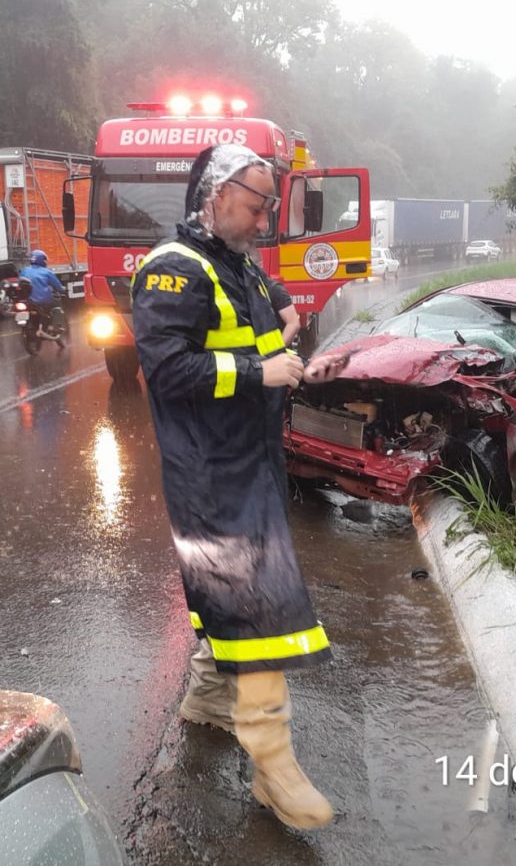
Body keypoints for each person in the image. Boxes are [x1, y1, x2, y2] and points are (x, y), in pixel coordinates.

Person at [130, 143, 348, 831]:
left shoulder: (238, 265)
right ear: (216, 194)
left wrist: (287, 348)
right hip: (211, 473)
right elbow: (169, 372)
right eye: (255, 206)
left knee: (227, 600)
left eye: (268, 209)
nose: (263, 221)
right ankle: (273, 767)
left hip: (249, 461)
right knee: (260, 611)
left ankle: (205, 700)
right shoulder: (174, 269)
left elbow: (258, 320)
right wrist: (262, 374)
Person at [19, 249, 65, 337]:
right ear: (42, 260)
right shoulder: (47, 272)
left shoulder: (24, 270)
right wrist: (63, 290)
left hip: (28, 301)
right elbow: (58, 287)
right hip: (42, 301)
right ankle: (56, 326)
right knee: (57, 303)